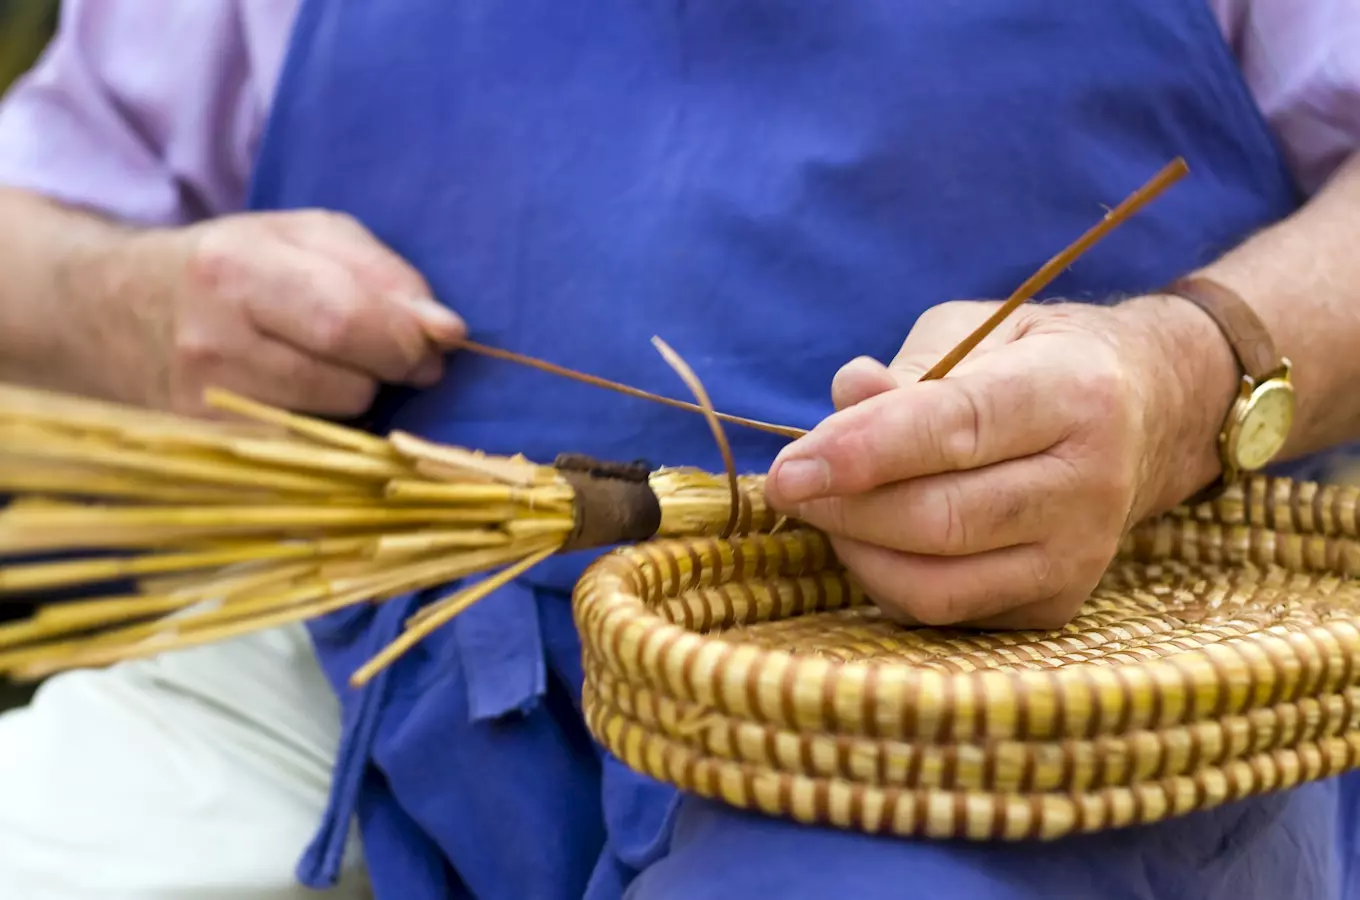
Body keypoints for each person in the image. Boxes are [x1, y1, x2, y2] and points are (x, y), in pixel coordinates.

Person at [0, 0, 1359, 897]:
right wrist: (134, 302)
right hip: (354, 643)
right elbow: (31, 216)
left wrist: (1184, 373)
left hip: (1009, 699)